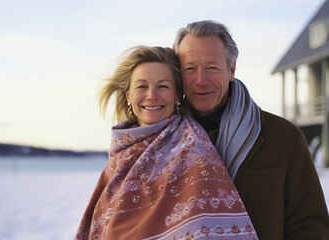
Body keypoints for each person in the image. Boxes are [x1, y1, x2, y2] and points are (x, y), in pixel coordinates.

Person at [74, 46, 259, 239]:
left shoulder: (192, 149)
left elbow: (205, 228)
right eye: (141, 86)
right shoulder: (123, 150)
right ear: (128, 94)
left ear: (177, 95)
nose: (152, 95)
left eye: (163, 86)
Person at [173, 20, 329, 240]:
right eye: (190, 68)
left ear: (231, 69)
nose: (201, 80)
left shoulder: (285, 138)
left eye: (212, 68)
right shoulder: (162, 142)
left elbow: (311, 227)